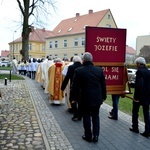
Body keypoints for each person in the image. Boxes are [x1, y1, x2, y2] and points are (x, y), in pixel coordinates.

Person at [70, 52, 107, 142]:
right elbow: (103, 85)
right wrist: (103, 96)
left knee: (86, 116)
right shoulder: (99, 70)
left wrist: (73, 98)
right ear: (91, 60)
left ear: (83, 60)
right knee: (95, 116)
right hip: (97, 98)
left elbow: (75, 86)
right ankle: (96, 136)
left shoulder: (79, 71)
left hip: (84, 98)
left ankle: (88, 135)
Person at [129, 57, 150, 138]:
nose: (136, 66)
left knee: (135, 112)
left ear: (138, 64)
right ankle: (147, 131)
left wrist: (131, 85)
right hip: (148, 96)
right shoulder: (148, 71)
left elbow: (139, 85)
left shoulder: (139, 72)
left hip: (139, 97)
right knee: (146, 113)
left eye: (136, 64)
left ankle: (135, 127)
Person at [61, 56, 82, 121]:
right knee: (80, 101)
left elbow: (67, 78)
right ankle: (80, 114)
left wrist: (63, 87)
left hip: (73, 87)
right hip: (82, 87)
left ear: (73, 61)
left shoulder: (71, 67)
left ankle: (76, 114)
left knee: (72, 100)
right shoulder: (83, 66)